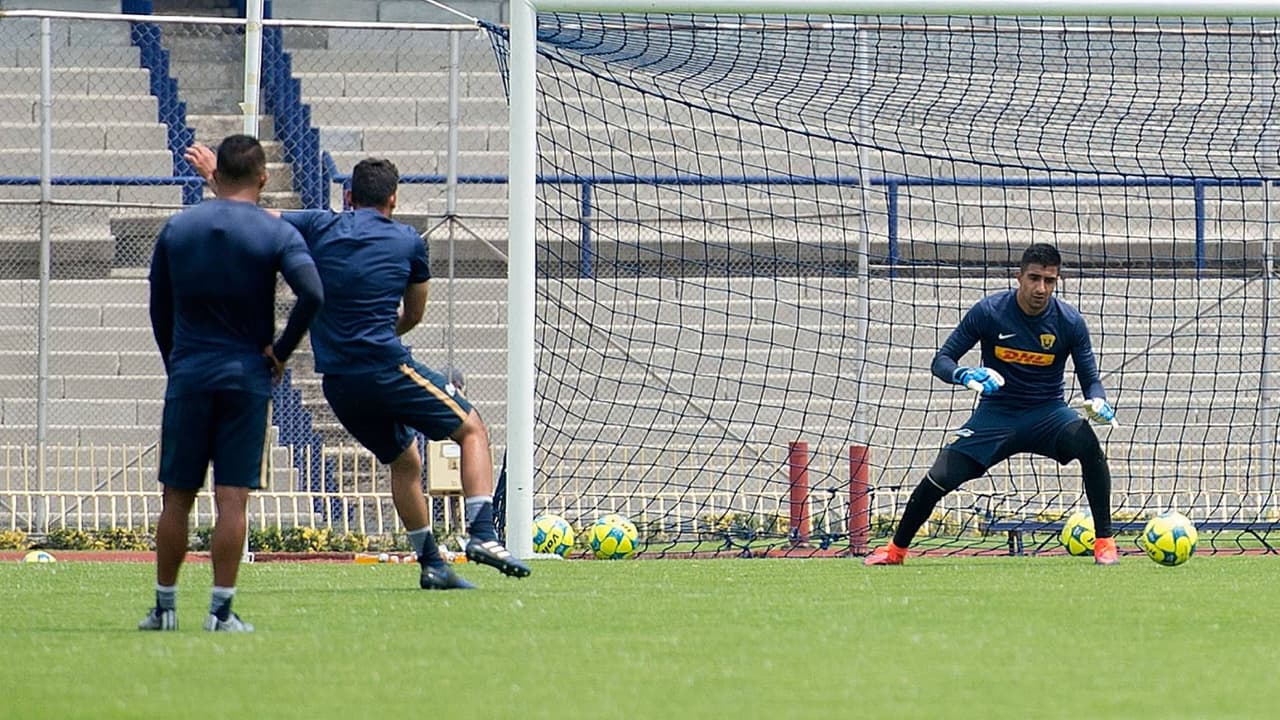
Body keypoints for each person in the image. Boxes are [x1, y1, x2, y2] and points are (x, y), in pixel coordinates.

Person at [186, 145, 530, 589]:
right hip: (385, 367)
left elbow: (251, 216)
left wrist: (217, 177)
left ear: (348, 197)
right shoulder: (407, 240)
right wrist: (384, 329)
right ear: (393, 201)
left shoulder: (319, 226)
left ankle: (431, 564)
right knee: (472, 429)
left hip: (340, 385)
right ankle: (482, 533)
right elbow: (414, 314)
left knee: (404, 458)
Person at [140, 135, 323, 632]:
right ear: (263, 177)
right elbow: (311, 293)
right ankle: (220, 612)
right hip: (247, 377)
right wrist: (280, 352)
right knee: (232, 498)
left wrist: (175, 361)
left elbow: (159, 307)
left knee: (176, 496)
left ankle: (165, 608)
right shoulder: (274, 233)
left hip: (191, 372)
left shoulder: (179, 229)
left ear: (216, 173)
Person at [864, 243, 1120, 566]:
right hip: (996, 415)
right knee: (939, 476)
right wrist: (963, 373)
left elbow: (1091, 379)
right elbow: (941, 360)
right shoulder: (989, 312)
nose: (1041, 288)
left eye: (1050, 281)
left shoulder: (1069, 322)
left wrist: (1098, 400)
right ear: (1019, 277)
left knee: (1089, 445)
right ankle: (895, 551)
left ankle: (1105, 544)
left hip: (1048, 414)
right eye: (1034, 278)